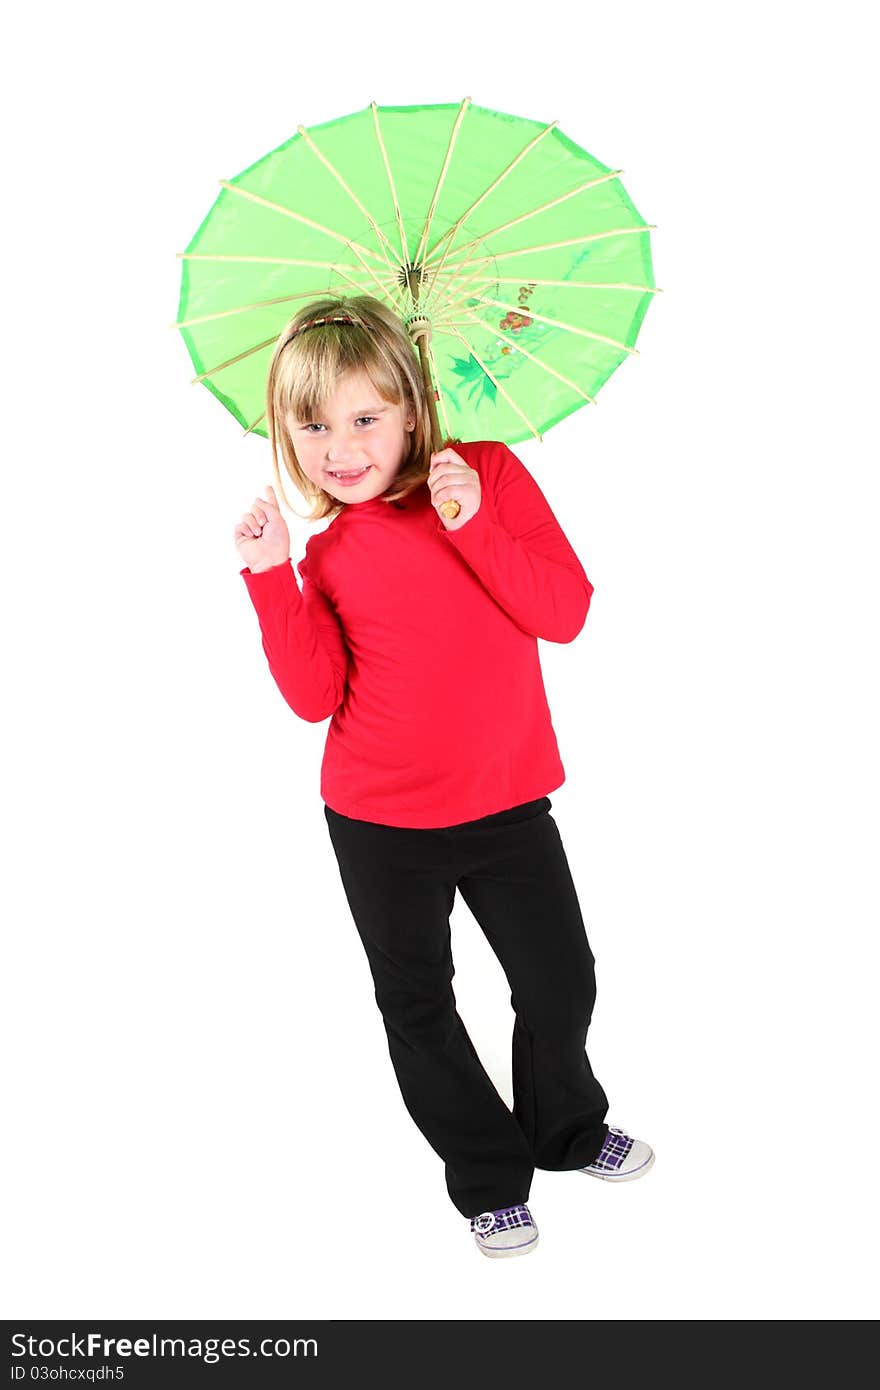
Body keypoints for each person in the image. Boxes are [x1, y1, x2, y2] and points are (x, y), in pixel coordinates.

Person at [234, 294, 654, 1259]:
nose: (340, 447)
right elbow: (312, 697)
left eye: (366, 418)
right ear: (287, 435)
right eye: (312, 425)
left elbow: (564, 612)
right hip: (378, 821)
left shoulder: (491, 478)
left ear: (415, 407)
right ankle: (486, 1173)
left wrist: (470, 524)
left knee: (561, 984)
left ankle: (566, 1130)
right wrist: (271, 575)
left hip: (508, 804)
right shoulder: (329, 553)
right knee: (418, 1001)